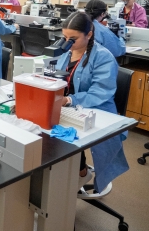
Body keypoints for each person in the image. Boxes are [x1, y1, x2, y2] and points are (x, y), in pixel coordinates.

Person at [57, 12, 128, 192]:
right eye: (64, 37)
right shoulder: (67, 53)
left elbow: (99, 93)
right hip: (69, 108)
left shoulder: (103, 57)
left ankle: (81, 173)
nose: (68, 42)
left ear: (89, 35)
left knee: (69, 139)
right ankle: (68, 172)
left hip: (97, 111)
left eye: (73, 38)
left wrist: (69, 99)